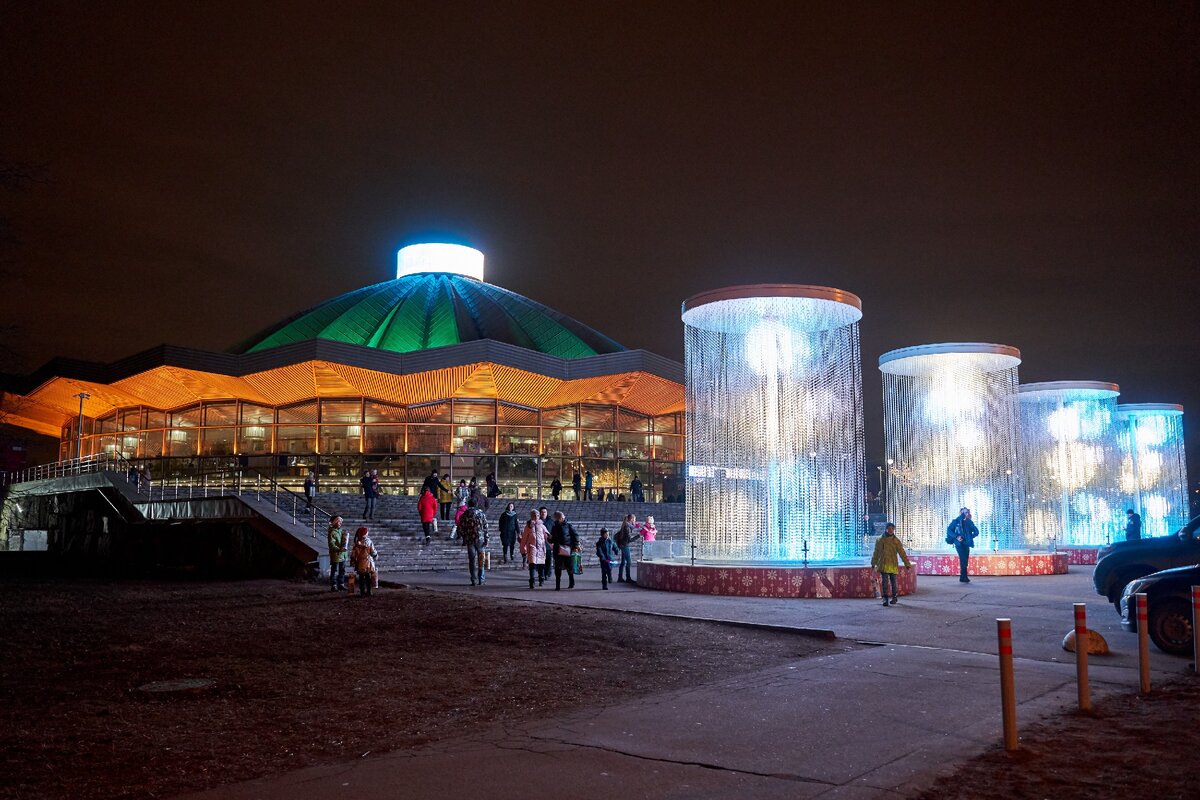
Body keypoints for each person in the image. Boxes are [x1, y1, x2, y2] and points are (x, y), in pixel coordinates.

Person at [871, 523, 912, 606]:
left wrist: (907, 563)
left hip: (892, 564)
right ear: (886, 529)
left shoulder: (896, 540)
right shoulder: (880, 540)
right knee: (885, 582)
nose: (890, 530)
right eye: (889, 528)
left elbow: (902, 553)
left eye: (892, 529)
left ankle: (894, 597)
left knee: (893, 582)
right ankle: (885, 598)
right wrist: (873, 563)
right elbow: (876, 552)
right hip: (883, 564)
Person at [458, 498, 489, 586]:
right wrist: (487, 538)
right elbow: (485, 526)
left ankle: (473, 579)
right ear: (476, 504)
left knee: (472, 560)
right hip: (480, 538)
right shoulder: (481, 513)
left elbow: (461, 528)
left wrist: (464, 537)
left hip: (469, 539)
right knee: (481, 559)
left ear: (468, 504)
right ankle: (481, 579)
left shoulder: (465, 514)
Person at [946, 507, 979, 583]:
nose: (966, 514)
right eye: (964, 513)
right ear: (961, 513)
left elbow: (976, 531)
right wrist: (956, 536)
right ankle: (963, 576)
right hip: (959, 544)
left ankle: (963, 577)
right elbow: (949, 530)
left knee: (965, 559)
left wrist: (970, 537)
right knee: (963, 558)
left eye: (967, 512)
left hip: (966, 543)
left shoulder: (969, 522)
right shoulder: (956, 521)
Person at [549, 511, 579, 590]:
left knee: (569, 567)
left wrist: (575, 546)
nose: (561, 519)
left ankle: (571, 581)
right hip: (558, 549)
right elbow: (552, 540)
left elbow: (575, 535)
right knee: (557, 568)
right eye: (559, 518)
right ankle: (557, 585)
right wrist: (549, 538)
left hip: (567, 549)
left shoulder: (568, 526)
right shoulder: (554, 527)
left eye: (562, 517)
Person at [519, 509, 549, 589]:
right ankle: (532, 580)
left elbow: (547, 537)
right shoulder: (528, 527)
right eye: (534, 515)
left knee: (541, 565)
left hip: (541, 548)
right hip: (532, 548)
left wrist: (552, 543)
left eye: (537, 515)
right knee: (532, 564)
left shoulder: (542, 526)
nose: (536, 517)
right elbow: (524, 539)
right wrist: (523, 549)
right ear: (531, 516)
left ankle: (541, 578)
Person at [350, 526, 378, 597]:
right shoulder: (369, 542)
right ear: (365, 533)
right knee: (368, 577)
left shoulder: (356, 543)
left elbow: (353, 554)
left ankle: (362, 592)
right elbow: (373, 551)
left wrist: (352, 561)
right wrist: (375, 556)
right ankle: (369, 591)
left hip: (360, 563)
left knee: (361, 578)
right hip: (368, 563)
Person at [327, 515, 348, 592]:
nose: (340, 523)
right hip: (335, 554)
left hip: (342, 554)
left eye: (340, 522)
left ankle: (341, 584)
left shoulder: (340, 531)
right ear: (335, 522)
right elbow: (331, 544)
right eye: (338, 522)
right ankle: (333, 585)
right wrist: (339, 549)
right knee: (334, 570)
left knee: (342, 570)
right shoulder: (332, 532)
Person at [615, 513, 636, 583]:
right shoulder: (627, 527)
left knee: (623, 562)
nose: (635, 521)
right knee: (629, 562)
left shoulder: (626, 525)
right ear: (632, 520)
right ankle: (628, 578)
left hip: (622, 545)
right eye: (634, 519)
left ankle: (620, 578)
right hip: (625, 546)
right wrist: (639, 536)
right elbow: (630, 540)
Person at [538, 507, 553, 582]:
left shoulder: (550, 521)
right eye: (542, 512)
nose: (543, 513)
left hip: (548, 544)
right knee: (541, 561)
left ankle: (547, 573)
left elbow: (553, 531)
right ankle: (542, 574)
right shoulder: (537, 521)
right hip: (539, 545)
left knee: (548, 560)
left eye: (545, 512)